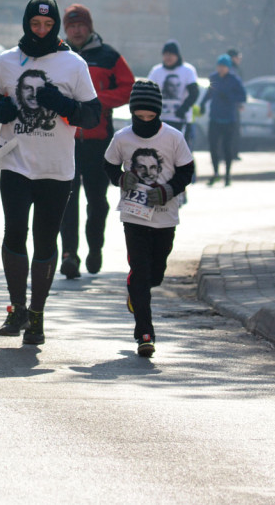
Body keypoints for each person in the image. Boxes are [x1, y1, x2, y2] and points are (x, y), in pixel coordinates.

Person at [0, 0, 101, 345]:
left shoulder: (73, 63)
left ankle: (37, 315)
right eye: (35, 24)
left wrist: (62, 104)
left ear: (56, 26)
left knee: (45, 239)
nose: (41, 30)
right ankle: (17, 308)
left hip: (56, 168)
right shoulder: (8, 60)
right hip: (15, 162)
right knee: (14, 232)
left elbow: (92, 115)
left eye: (48, 25)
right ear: (26, 24)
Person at [103, 80, 194, 357]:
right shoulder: (122, 138)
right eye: (139, 116)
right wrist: (121, 178)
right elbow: (108, 164)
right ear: (132, 113)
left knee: (155, 274)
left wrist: (167, 191)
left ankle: (136, 293)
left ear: (158, 113)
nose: (144, 121)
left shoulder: (173, 137)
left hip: (165, 217)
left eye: (150, 116)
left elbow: (186, 171)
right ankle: (145, 334)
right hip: (134, 217)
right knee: (140, 273)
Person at [58, 4, 134, 279]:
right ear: (66, 30)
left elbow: (128, 87)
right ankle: (69, 255)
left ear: (89, 27)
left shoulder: (108, 55)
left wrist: (97, 101)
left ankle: (94, 248)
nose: (77, 31)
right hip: (64, 140)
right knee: (66, 200)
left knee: (97, 201)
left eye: (81, 25)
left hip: (98, 140)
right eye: (71, 26)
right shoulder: (57, 55)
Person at [198, 54, 246, 186]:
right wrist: (202, 104)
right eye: (219, 66)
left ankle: (228, 175)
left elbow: (242, 96)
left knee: (227, 148)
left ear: (228, 67)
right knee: (213, 147)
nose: (221, 68)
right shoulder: (213, 77)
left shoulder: (234, 80)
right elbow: (209, 92)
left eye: (224, 66)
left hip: (229, 119)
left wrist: (230, 97)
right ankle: (215, 173)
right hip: (215, 117)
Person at [147, 40, 199, 148]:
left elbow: (194, 93)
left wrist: (184, 108)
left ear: (177, 55)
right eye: (166, 54)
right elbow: (148, 92)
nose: (168, 57)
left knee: (179, 150)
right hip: (161, 118)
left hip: (180, 118)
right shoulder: (156, 71)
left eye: (171, 54)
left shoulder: (187, 70)